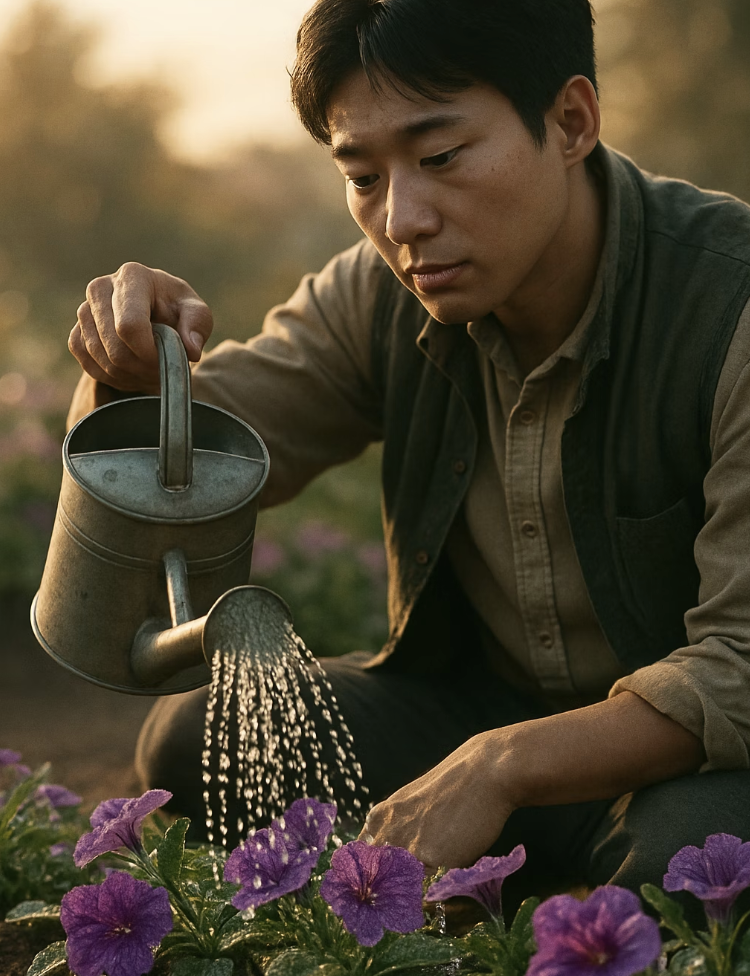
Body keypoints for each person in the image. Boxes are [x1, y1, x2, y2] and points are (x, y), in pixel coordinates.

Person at [66, 0, 750, 917]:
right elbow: (169, 473)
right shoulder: (384, 296)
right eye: (361, 174)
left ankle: (545, 894)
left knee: (698, 859)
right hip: (472, 710)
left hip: (679, 760)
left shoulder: (727, 307)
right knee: (197, 734)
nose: (403, 219)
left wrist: (498, 766)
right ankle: (514, 887)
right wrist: (130, 373)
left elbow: (739, 666)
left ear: (572, 121)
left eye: (440, 157)